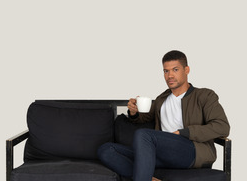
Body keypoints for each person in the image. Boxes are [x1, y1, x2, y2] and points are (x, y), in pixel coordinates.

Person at [98, 50, 230, 181]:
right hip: (162, 153)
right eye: (166, 71)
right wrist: (134, 112)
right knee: (106, 150)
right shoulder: (162, 99)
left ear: (187, 70)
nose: (170, 75)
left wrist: (183, 133)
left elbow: (222, 126)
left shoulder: (204, 95)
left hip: (191, 151)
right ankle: (148, 178)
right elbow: (145, 118)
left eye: (175, 70)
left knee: (144, 134)